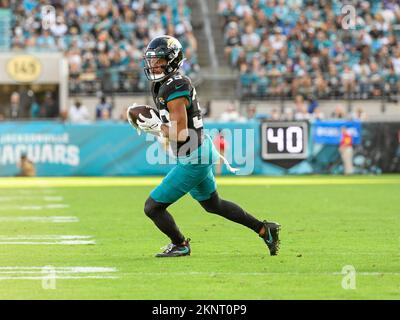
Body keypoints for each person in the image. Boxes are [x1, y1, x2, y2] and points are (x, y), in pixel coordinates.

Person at [128, 35, 280, 258]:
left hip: (194, 156)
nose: (154, 65)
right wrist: (158, 127)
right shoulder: (164, 84)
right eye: (152, 60)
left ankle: (180, 244)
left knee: (152, 207)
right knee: (213, 204)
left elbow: (180, 132)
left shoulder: (175, 85)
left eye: (159, 60)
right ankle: (264, 229)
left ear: (172, 61)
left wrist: (157, 127)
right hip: (196, 151)